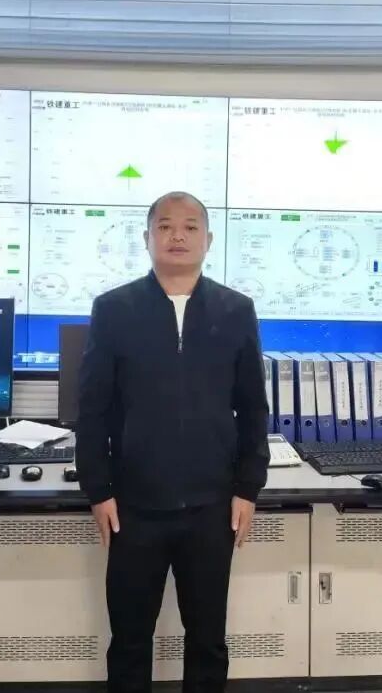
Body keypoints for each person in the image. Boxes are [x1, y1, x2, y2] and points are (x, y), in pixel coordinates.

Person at [76, 191, 270, 693]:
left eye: (189, 226)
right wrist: (99, 490)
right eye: (164, 226)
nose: (177, 236)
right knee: (129, 640)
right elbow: (92, 410)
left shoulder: (236, 310)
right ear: (147, 238)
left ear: (208, 239)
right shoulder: (114, 309)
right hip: (133, 507)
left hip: (212, 507)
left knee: (207, 640)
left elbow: (253, 407)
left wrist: (248, 487)